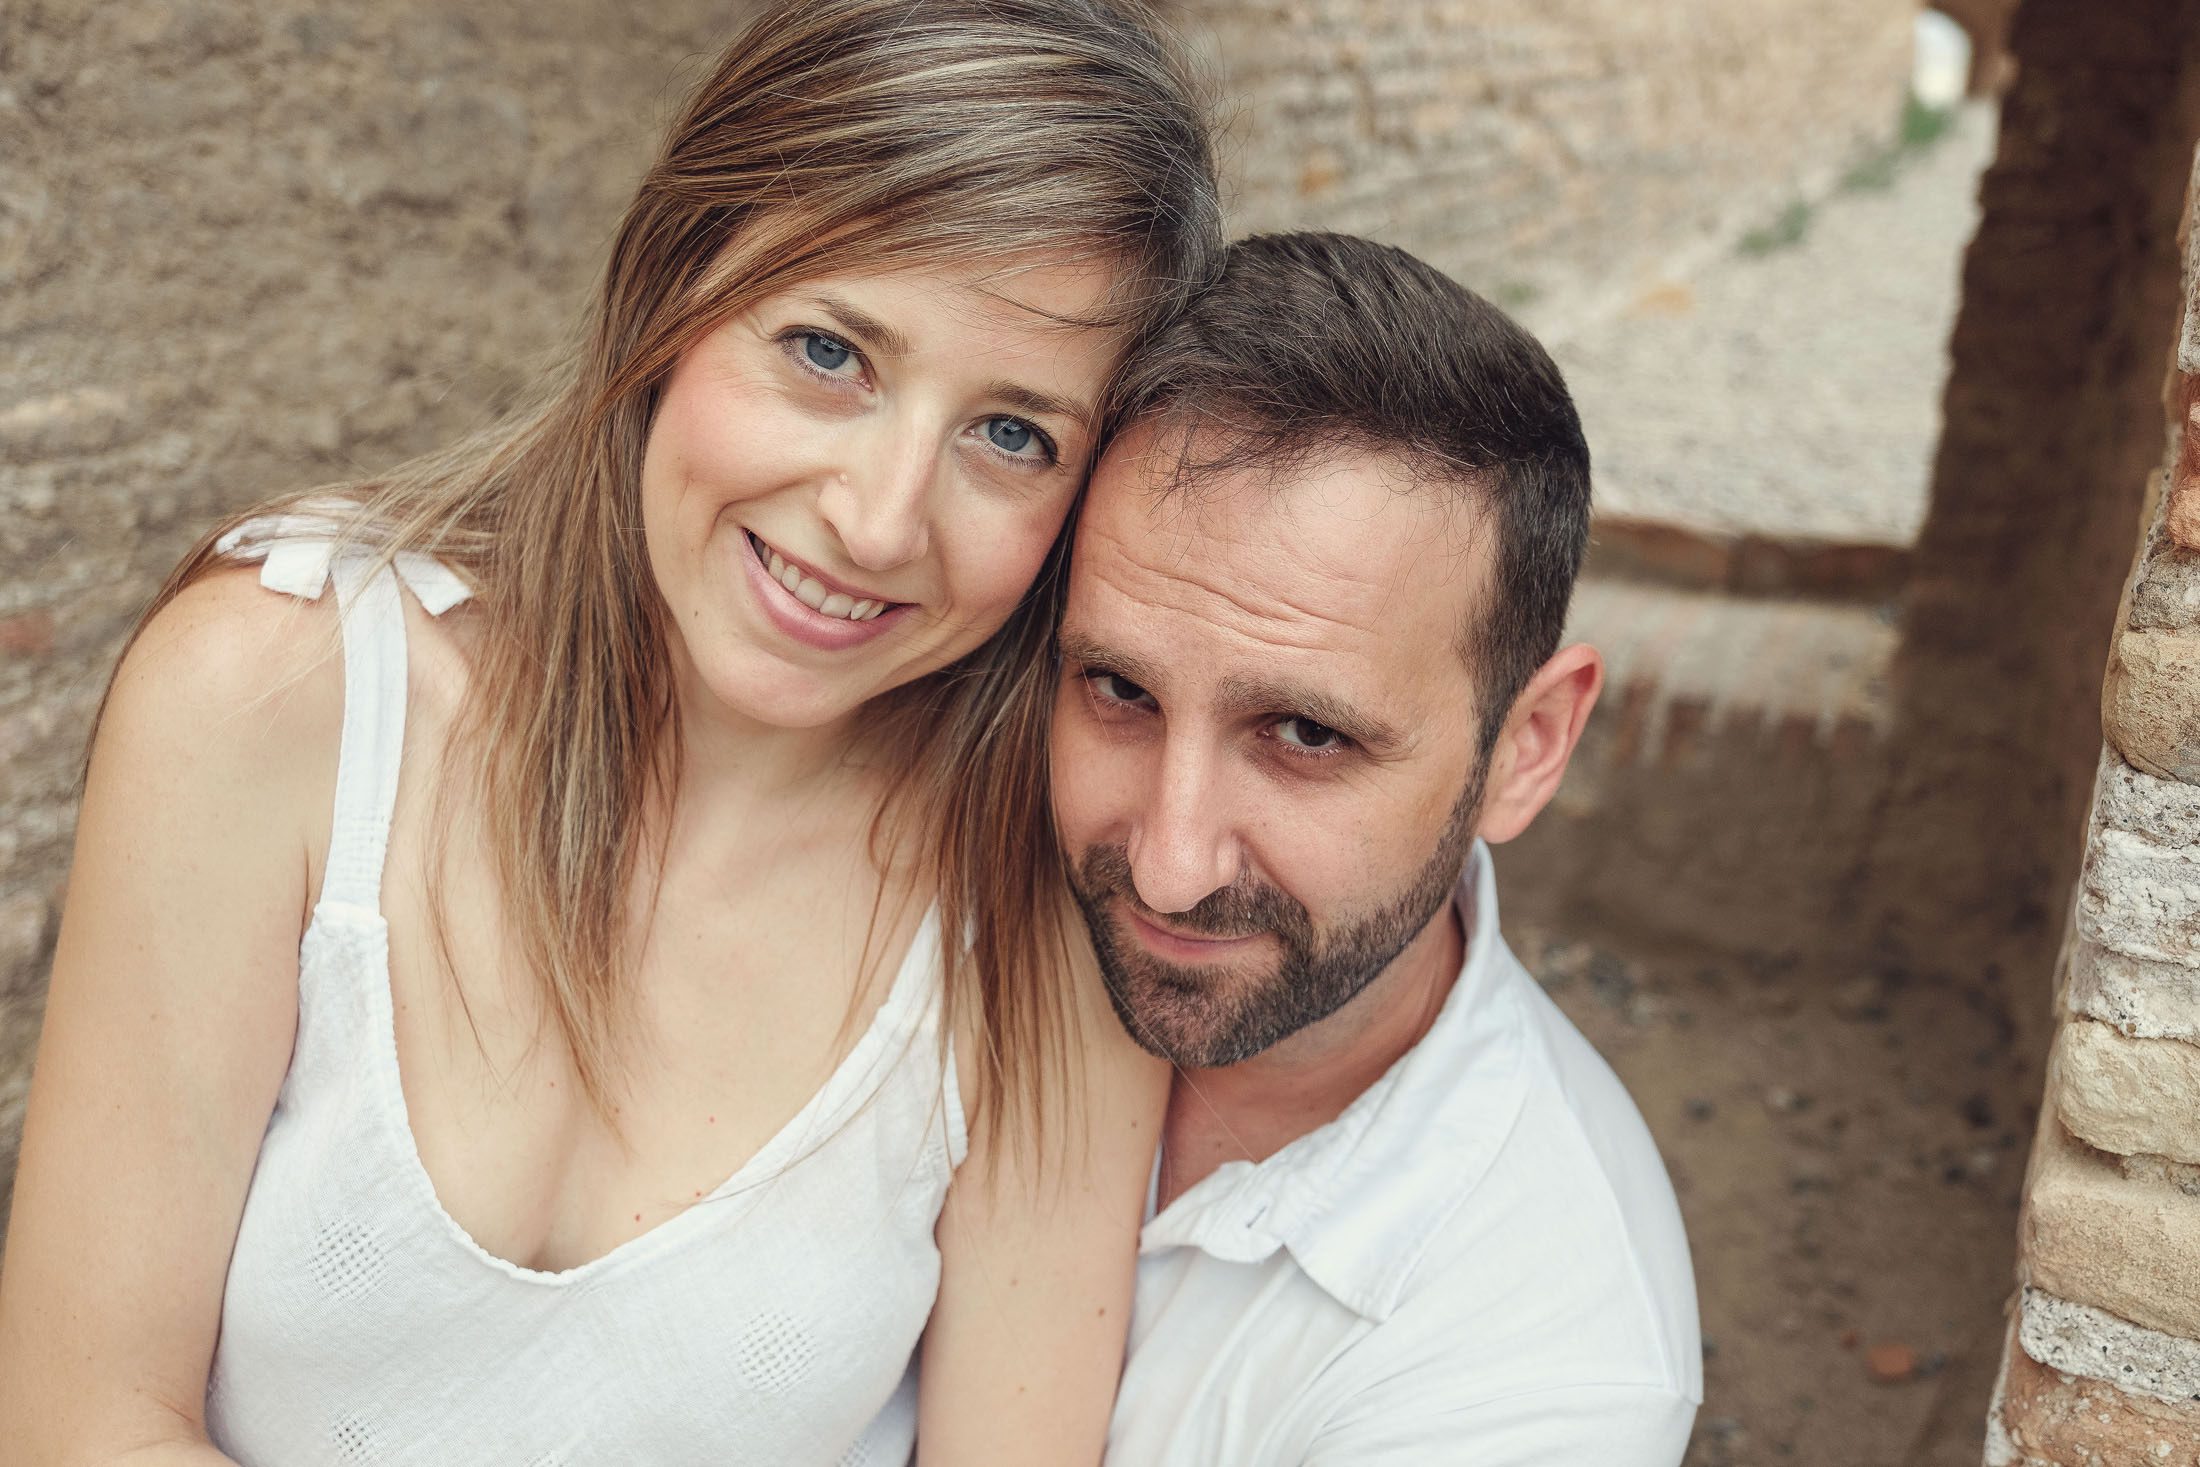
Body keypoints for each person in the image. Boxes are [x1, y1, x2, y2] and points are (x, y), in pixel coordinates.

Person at [0, 2, 1222, 1463]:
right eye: (829, 350)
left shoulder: (1035, 917)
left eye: (1012, 434)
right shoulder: (281, 692)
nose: (880, 518)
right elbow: (79, 1411)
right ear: (671, 285)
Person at [1047, 232, 1702, 1465]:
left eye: (1304, 733)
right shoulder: (930, 882)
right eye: (1118, 690)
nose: (1167, 864)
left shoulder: (1539, 1374)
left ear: (1528, 746)